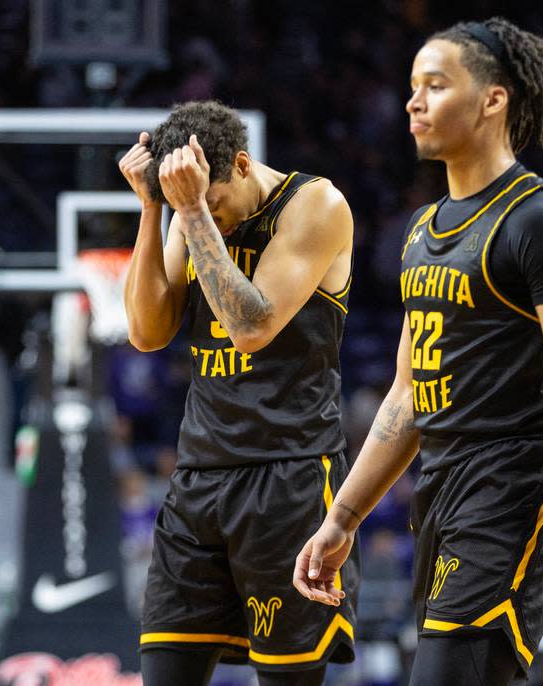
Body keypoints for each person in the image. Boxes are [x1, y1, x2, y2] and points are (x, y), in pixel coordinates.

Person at [293, 18, 543, 686]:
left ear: (493, 99)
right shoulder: (421, 232)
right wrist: (340, 519)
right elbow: (408, 394)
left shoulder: (541, 223)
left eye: (434, 85)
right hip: (444, 482)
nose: (413, 102)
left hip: (519, 477)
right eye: (411, 87)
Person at [118, 100, 356, 685]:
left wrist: (195, 211)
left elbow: (251, 327)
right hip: (200, 476)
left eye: (216, 202)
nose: (212, 220)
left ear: (243, 165)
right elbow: (147, 332)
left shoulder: (316, 205)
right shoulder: (186, 210)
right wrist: (155, 208)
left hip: (289, 476)